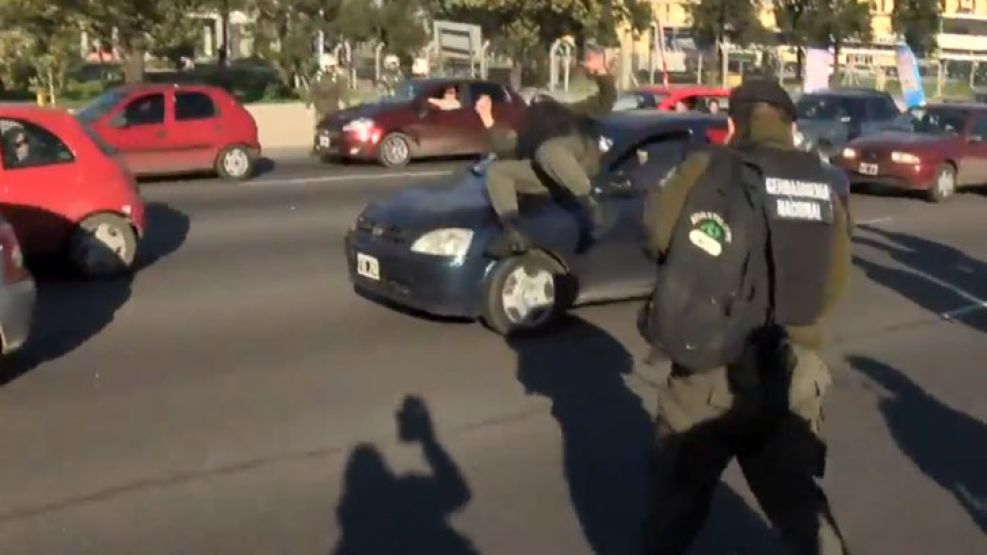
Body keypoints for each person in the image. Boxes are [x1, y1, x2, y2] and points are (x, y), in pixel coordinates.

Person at [639, 77, 852, 555]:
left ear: (733, 123)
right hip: (793, 371)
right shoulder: (822, 184)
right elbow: (835, 283)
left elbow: (655, 235)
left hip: (709, 367)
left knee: (675, 506)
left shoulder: (706, 168)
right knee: (801, 511)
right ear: (791, 127)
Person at [474, 43, 618, 258]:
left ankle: (593, 207)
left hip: (575, 153)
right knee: (498, 171)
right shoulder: (525, 128)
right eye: (531, 99)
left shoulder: (565, 110)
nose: (535, 100)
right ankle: (514, 233)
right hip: (547, 170)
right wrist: (486, 117)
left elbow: (604, 103)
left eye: (539, 97)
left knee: (547, 150)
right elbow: (506, 149)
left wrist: (601, 71)